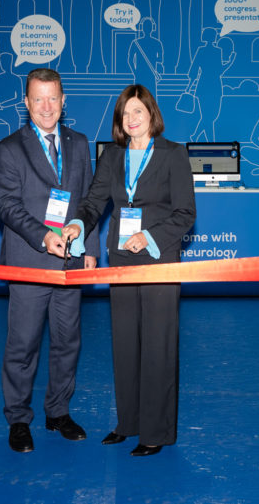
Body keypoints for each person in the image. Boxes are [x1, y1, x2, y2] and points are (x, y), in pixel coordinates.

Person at [61, 84, 196, 457]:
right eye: (125, 114)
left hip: (159, 260)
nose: (131, 119)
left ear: (151, 114)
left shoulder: (173, 155)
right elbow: (93, 203)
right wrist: (77, 224)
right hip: (120, 260)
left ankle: (155, 432)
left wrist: (150, 237)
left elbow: (186, 213)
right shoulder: (112, 157)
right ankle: (128, 423)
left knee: (158, 345)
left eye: (138, 111)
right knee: (125, 344)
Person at [0, 67, 99, 453]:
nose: (47, 106)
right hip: (29, 260)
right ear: (26, 102)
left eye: (53, 98)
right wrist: (43, 235)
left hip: (71, 264)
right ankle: (19, 418)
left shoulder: (80, 143)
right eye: (38, 99)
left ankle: (58, 412)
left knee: (68, 342)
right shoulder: (8, 148)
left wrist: (90, 248)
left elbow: (89, 201)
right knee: (22, 345)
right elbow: (6, 205)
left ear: (64, 99)